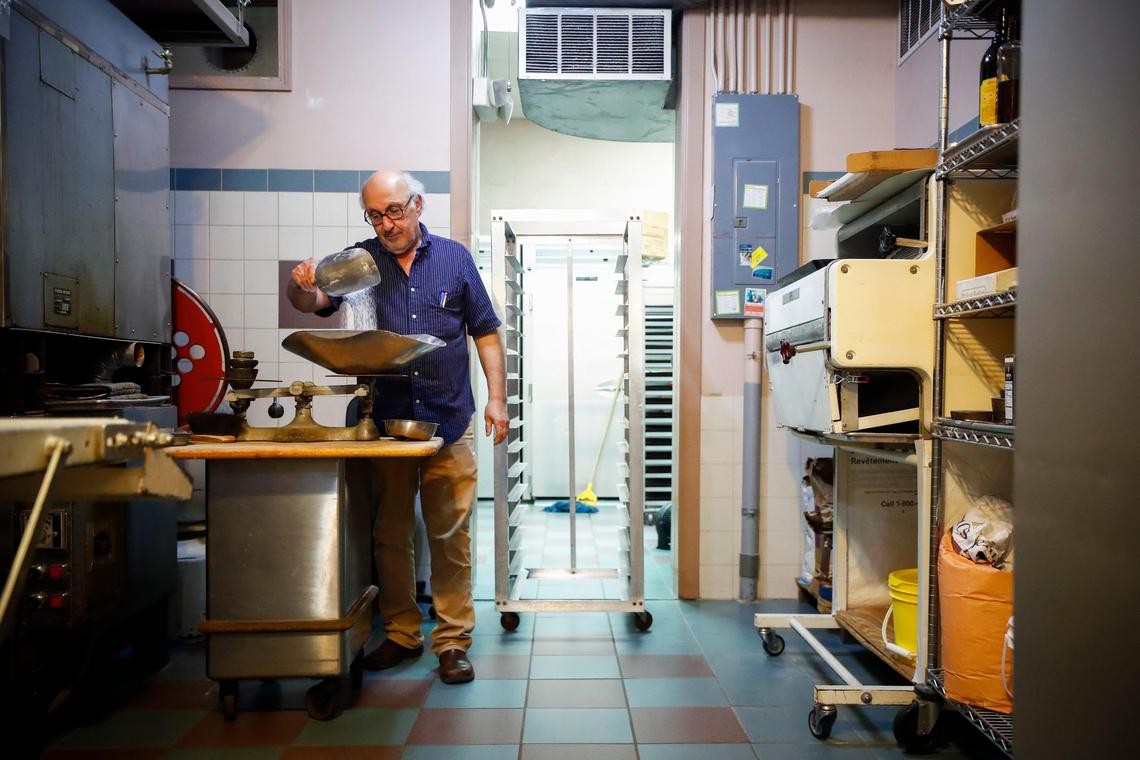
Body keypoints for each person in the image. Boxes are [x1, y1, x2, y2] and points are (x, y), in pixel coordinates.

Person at [287, 169, 507, 684]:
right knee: (389, 533)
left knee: (450, 537)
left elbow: (487, 333)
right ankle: (403, 634)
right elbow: (315, 305)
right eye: (375, 214)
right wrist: (301, 286)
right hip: (381, 425)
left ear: (418, 205)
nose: (387, 224)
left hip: (447, 421)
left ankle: (452, 641)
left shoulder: (454, 258)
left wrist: (497, 398)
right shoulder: (360, 261)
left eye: (395, 211)